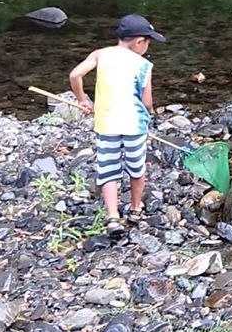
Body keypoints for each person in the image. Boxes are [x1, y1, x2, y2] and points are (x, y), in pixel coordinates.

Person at [69, 14, 166, 235]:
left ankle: (112, 216)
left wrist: (82, 99)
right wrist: (149, 115)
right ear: (139, 41)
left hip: (106, 125)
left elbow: (75, 74)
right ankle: (135, 208)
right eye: (148, 42)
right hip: (134, 126)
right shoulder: (143, 64)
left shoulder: (100, 54)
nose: (148, 47)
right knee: (136, 168)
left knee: (108, 169)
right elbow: (147, 101)